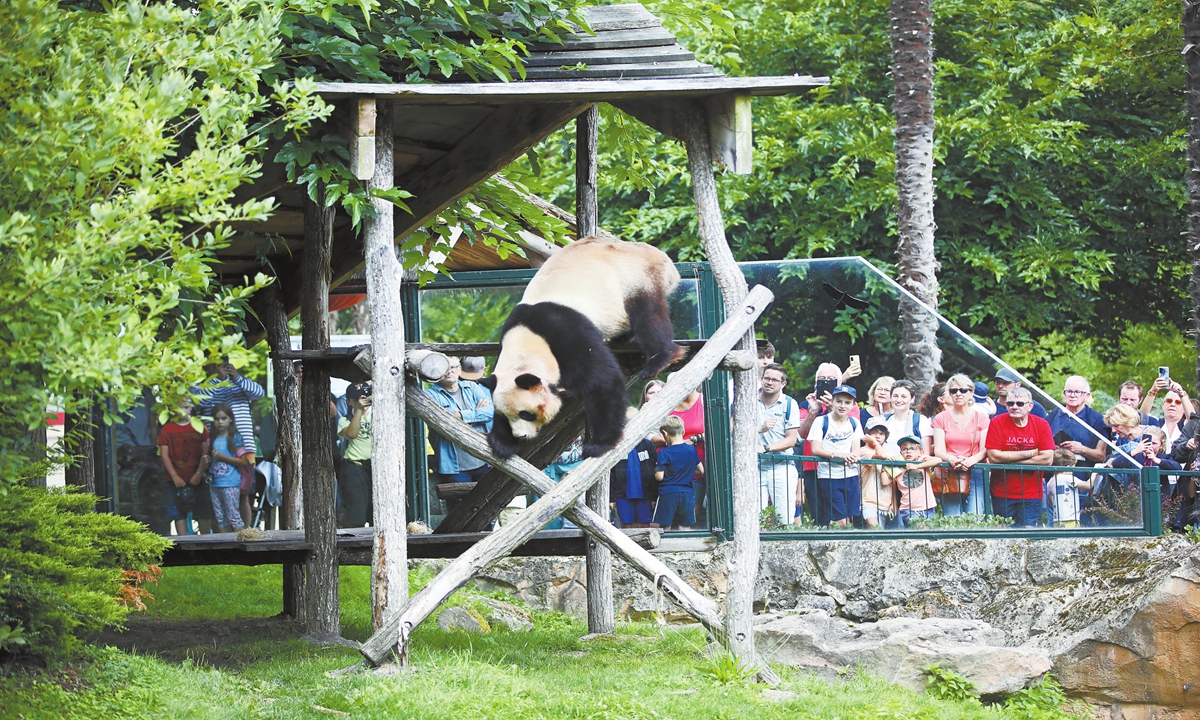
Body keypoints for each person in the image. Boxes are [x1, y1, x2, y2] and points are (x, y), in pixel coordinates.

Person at [193, 358, 265, 527]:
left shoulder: (239, 383)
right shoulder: (203, 387)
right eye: (216, 365)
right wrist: (216, 380)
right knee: (216, 494)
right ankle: (220, 535)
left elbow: (259, 393)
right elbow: (198, 401)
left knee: (243, 494)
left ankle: (246, 531)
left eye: (223, 365)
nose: (221, 369)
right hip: (216, 447)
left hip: (244, 447)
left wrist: (236, 378)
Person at [796, 363, 862, 520]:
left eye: (831, 379)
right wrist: (814, 411)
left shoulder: (849, 405)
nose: (826, 382)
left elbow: (851, 434)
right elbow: (802, 434)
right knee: (819, 515)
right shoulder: (806, 404)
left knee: (845, 516)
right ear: (815, 382)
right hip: (813, 466)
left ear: (840, 382)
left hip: (844, 469)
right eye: (822, 379)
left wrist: (833, 407)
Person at [426, 358, 495, 507]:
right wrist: (476, 412)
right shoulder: (430, 395)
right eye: (445, 368)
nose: (449, 371)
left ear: (459, 370)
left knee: (487, 508)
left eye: (453, 367)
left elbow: (490, 412)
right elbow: (443, 423)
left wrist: (461, 415)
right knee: (459, 512)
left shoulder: (471, 387)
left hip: (482, 461)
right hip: (454, 469)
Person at [985, 386, 1055, 527]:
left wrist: (1007, 458)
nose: (1015, 407)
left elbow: (1047, 459)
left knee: (1028, 535)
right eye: (1010, 403)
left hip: (1032, 494)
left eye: (1020, 404)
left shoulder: (1041, 424)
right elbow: (993, 456)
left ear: (1030, 406)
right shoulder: (997, 422)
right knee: (1004, 536)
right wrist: (1029, 453)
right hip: (1001, 492)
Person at [1045, 375, 1109, 525]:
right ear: (1063, 394)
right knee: (1054, 523)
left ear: (1087, 395)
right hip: (1054, 481)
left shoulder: (1096, 419)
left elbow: (1102, 455)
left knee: (1080, 524)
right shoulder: (1053, 415)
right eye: (1069, 391)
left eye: (1077, 392)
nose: (1072, 395)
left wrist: (1081, 449)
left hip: (1082, 482)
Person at [932, 374, 990, 516]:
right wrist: (952, 459)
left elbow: (985, 449)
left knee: (974, 516)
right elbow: (939, 450)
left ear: (971, 393)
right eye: (953, 391)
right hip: (950, 471)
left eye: (963, 390)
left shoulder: (982, 418)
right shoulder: (941, 418)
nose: (958, 393)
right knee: (952, 517)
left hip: (975, 470)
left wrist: (970, 461)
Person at [808, 385, 864, 527]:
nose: (842, 406)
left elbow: (856, 450)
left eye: (847, 402)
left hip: (850, 474)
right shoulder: (821, 421)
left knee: (851, 518)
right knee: (840, 520)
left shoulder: (854, 423)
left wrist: (852, 457)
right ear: (832, 401)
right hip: (829, 475)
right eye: (839, 401)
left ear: (853, 405)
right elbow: (815, 449)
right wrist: (839, 455)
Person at [157, 398, 211, 536]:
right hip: (174, 478)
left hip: (198, 477)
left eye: (186, 407)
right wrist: (174, 475)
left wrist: (199, 472)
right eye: (179, 407)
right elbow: (164, 455)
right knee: (177, 513)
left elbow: (206, 451)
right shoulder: (167, 429)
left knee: (203, 513)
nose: (183, 410)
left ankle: (206, 544)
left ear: (191, 408)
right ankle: (184, 542)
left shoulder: (199, 426)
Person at [756, 363, 802, 525]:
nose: (769, 382)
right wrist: (759, 429)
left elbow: (791, 439)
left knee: (784, 518)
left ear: (783, 384)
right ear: (761, 379)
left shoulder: (790, 404)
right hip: (755, 466)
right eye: (767, 378)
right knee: (756, 517)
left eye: (775, 380)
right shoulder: (748, 400)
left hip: (782, 465)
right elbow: (733, 428)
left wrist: (766, 448)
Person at [665, 376, 706, 527]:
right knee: (673, 511)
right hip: (674, 467)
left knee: (693, 511)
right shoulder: (668, 406)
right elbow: (655, 433)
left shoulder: (704, 402)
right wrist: (677, 443)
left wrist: (695, 439)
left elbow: (717, 430)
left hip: (699, 466)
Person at [206, 403, 253, 533]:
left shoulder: (235, 437)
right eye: (216, 419)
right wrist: (208, 460)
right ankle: (227, 545)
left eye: (223, 418)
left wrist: (221, 457)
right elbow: (211, 459)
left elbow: (243, 461)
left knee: (234, 516)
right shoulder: (211, 438)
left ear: (230, 419)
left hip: (230, 482)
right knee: (220, 518)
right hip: (215, 483)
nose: (220, 422)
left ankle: (241, 541)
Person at [611, 408, 658, 528]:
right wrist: (611, 498)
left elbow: (655, 471)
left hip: (645, 494)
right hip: (622, 494)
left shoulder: (647, 445)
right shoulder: (616, 447)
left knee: (644, 525)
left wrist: (654, 496)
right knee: (627, 525)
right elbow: (610, 474)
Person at [653, 416, 703, 530]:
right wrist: (686, 471)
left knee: (665, 526)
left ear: (665, 433)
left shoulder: (664, 453)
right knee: (685, 526)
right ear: (683, 431)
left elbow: (659, 476)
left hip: (668, 493)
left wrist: (667, 472)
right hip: (687, 492)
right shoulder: (691, 450)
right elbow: (701, 470)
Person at [337, 382, 373, 527]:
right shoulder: (344, 420)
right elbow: (352, 433)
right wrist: (358, 410)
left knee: (376, 512)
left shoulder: (380, 416)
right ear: (349, 401)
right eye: (357, 398)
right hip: (355, 466)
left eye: (365, 397)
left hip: (377, 467)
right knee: (355, 512)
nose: (362, 401)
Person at [859, 416, 899, 529]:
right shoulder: (863, 451)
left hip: (886, 504)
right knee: (875, 531)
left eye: (881, 433)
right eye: (873, 433)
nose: (877, 436)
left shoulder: (888, 453)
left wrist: (894, 503)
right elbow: (881, 456)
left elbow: (892, 482)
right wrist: (874, 443)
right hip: (869, 502)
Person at [895, 435, 942, 527]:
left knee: (929, 536)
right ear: (900, 452)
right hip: (909, 509)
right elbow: (885, 481)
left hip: (928, 508)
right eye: (904, 449)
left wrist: (917, 466)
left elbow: (938, 460)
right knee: (919, 533)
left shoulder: (922, 462)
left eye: (913, 448)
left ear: (921, 452)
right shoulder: (898, 465)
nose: (908, 451)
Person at [885, 379, 932, 455]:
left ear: (912, 399)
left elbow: (925, 453)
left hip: (912, 466)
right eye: (895, 396)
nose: (899, 400)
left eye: (904, 396)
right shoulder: (883, 421)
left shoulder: (921, 421)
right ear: (890, 398)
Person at [1046, 448, 1088, 528]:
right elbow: (1088, 485)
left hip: (1057, 518)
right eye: (1073, 467)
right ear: (1068, 467)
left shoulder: (1050, 481)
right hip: (1071, 518)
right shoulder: (1069, 478)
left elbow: (1050, 501)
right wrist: (1095, 473)